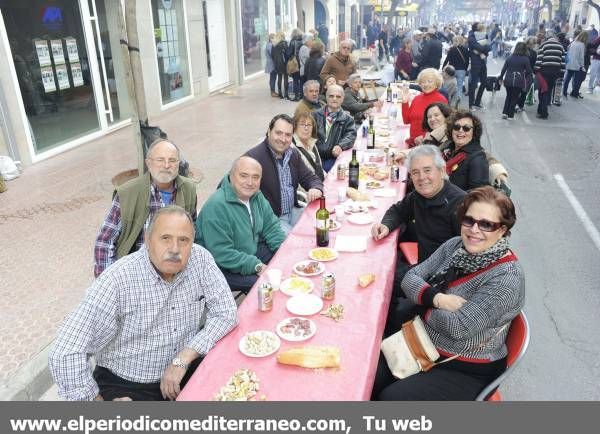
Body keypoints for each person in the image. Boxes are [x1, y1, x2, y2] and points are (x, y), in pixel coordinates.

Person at [50, 206, 238, 401]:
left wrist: (184, 358)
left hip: (184, 369)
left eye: (183, 240)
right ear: (148, 240)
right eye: (165, 238)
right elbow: (65, 352)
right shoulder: (117, 280)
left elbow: (226, 312)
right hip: (127, 385)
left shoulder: (200, 259)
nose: (175, 249)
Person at [373, 186, 524, 401]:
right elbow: (409, 277)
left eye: (486, 224)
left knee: (391, 398)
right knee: (369, 374)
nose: (474, 229)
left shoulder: (506, 278)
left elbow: (457, 328)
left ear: (502, 230)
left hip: (464, 366)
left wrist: (421, 301)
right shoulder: (455, 246)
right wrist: (437, 298)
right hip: (424, 343)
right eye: (469, 220)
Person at [371, 145, 466, 307]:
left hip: (444, 282)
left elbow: (467, 257)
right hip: (423, 269)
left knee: (381, 283)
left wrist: (435, 295)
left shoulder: (461, 205)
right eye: (415, 172)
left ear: (442, 171)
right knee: (379, 273)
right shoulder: (418, 196)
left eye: (427, 170)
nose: (421, 177)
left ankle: (393, 323)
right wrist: (386, 225)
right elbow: (398, 210)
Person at [93, 139, 197, 278]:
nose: (166, 165)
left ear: (178, 164)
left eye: (172, 160)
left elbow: (192, 229)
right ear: (148, 163)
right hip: (137, 273)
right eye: (160, 160)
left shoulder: (188, 189)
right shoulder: (128, 193)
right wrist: (107, 281)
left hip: (175, 269)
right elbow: (105, 242)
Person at [196, 157, 285, 294]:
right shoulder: (216, 206)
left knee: (285, 264)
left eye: (255, 177)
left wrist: (284, 251)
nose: (250, 182)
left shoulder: (257, 196)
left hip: (247, 251)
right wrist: (257, 266)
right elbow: (221, 253)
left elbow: (272, 227)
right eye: (244, 176)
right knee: (266, 285)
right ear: (231, 176)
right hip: (219, 267)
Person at [245, 114, 323, 233]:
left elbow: (310, 178)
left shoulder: (292, 154)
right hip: (273, 220)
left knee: (322, 224)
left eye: (288, 135)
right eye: (278, 133)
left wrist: (316, 188)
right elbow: (230, 185)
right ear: (269, 131)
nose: (283, 139)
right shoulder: (253, 158)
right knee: (296, 243)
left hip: (293, 211)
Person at [313, 84, 357, 172]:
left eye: (338, 96)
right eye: (331, 96)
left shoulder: (348, 119)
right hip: (315, 156)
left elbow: (351, 135)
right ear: (326, 97)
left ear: (342, 99)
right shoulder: (315, 115)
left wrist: (341, 146)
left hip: (332, 157)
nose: (334, 99)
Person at [442, 110, 489, 191]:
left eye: (466, 128)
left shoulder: (477, 158)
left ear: (474, 132)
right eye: (456, 127)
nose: (460, 130)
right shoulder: (448, 148)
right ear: (451, 130)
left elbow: (477, 193)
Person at [401, 68, 448, 147]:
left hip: (429, 144)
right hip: (412, 143)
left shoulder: (441, 100)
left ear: (437, 83)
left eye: (429, 81)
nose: (425, 84)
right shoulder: (416, 98)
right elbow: (406, 121)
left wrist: (425, 137)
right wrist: (405, 102)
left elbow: (444, 126)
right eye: (423, 82)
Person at [534, 30, 565, 119]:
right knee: (548, 91)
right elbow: (562, 61)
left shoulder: (544, 45)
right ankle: (541, 110)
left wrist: (536, 70)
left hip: (544, 72)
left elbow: (539, 59)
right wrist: (562, 74)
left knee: (542, 91)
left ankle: (543, 112)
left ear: (547, 37)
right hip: (555, 72)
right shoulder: (560, 46)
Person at [499, 42, 533, 119]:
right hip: (519, 80)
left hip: (508, 80)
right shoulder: (525, 59)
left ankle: (505, 113)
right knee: (514, 97)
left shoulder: (510, 58)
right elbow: (529, 71)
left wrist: (500, 78)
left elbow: (503, 69)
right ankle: (510, 115)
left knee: (508, 96)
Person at [293, 112, 325, 181]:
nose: (306, 128)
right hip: (308, 189)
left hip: (319, 183)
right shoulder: (292, 147)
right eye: (302, 124)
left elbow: (319, 168)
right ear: (295, 127)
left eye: (309, 125)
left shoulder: (312, 142)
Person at [467, 22, 491, 110]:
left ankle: (477, 102)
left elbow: (489, 47)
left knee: (484, 82)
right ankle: (471, 104)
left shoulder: (484, 36)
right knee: (473, 83)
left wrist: (481, 50)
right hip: (475, 62)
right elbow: (481, 47)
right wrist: (483, 49)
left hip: (482, 61)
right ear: (478, 29)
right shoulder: (471, 37)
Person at [563, 31, 588, 98]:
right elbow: (581, 57)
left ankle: (564, 92)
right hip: (577, 65)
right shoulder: (582, 45)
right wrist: (582, 65)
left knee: (567, 79)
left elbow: (568, 50)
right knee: (576, 80)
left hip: (570, 63)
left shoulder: (573, 42)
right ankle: (575, 93)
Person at [271, 32, 289, 100]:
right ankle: (286, 94)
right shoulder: (284, 43)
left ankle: (280, 94)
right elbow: (287, 53)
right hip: (284, 63)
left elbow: (272, 55)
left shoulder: (274, 44)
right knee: (286, 78)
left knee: (279, 77)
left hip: (277, 63)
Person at [288, 28, 304, 101]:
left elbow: (289, 53)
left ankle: (296, 96)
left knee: (295, 80)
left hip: (295, 63)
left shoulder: (292, 42)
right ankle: (302, 96)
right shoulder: (303, 41)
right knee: (302, 80)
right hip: (302, 62)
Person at [265, 33, 277, 97]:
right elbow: (272, 54)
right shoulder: (270, 45)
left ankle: (272, 91)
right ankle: (272, 92)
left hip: (271, 63)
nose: (274, 39)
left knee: (272, 77)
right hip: (272, 63)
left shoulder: (268, 44)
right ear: (270, 38)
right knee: (273, 77)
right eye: (273, 38)